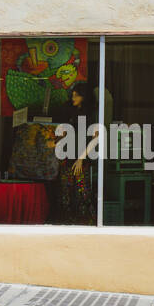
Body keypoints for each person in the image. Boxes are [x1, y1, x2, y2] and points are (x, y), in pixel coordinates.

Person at [55, 83, 97, 224]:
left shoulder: (91, 114)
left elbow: (96, 138)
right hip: (67, 157)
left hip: (81, 158)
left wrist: (81, 158)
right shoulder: (69, 111)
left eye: (77, 95)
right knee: (65, 192)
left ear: (84, 97)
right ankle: (67, 223)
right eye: (72, 95)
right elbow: (64, 133)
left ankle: (86, 223)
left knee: (82, 193)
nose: (73, 98)